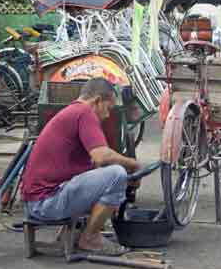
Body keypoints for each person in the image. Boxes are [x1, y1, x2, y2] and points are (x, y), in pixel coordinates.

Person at [22, 77, 141, 256]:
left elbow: (93, 165)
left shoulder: (73, 111)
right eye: (108, 108)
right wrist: (133, 164)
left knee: (109, 177)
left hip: (39, 201)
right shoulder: (84, 112)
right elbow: (101, 155)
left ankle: (81, 233)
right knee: (116, 174)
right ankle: (90, 238)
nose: (108, 115)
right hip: (45, 204)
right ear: (97, 101)